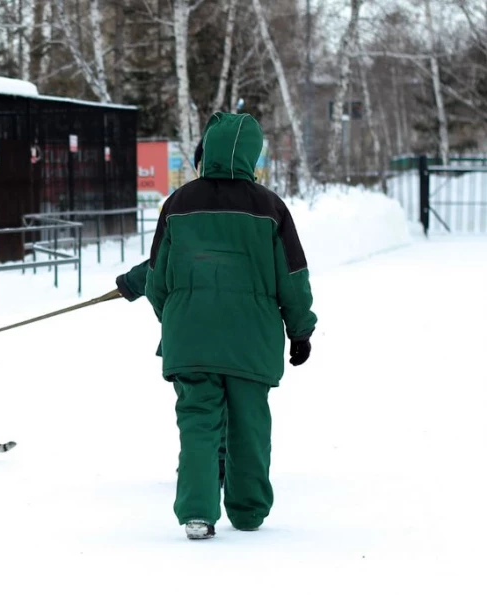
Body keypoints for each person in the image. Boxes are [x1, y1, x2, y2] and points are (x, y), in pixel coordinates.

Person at [144, 112, 316, 540]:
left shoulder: (178, 203)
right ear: (251, 155)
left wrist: (177, 318)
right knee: (249, 424)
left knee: (198, 424)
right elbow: (292, 277)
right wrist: (300, 329)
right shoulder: (271, 208)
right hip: (251, 341)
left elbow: (156, 279)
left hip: (190, 339)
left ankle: (198, 513)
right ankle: (248, 509)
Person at [115, 139, 228, 490]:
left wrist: (134, 285)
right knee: (233, 401)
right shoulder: (258, 204)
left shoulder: (184, 202)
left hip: (190, 331)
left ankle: (204, 470)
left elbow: (163, 263)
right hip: (242, 331)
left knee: (198, 408)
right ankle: (225, 465)